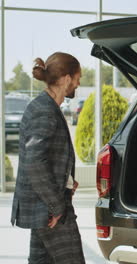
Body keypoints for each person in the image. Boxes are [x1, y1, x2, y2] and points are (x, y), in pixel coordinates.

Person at [10, 52, 85, 264]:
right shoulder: (44, 110)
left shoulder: (48, 106)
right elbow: (35, 161)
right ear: (67, 78)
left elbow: (48, 155)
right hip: (49, 208)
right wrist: (57, 206)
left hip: (44, 205)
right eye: (78, 77)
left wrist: (68, 180)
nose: (79, 83)